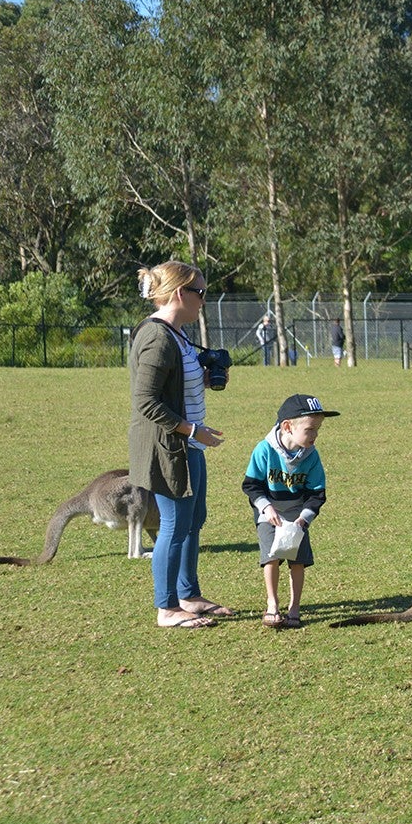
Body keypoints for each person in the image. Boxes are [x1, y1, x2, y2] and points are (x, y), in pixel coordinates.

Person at [129, 260, 232, 628]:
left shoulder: (177, 334)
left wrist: (202, 379)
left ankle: (189, 595)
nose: (203, 300)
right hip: (170, 446)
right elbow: (145, 401)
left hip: (190, 442)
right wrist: (190, 431)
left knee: (193, 521)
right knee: (173, 525)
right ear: (179, 294)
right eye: (200, 293)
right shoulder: (157, 337)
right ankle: (166, 607)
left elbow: (172, 386)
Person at [243, 393, 340, 628]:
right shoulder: (264, 450)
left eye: (318, 429)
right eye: (310, 429)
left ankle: (294, 607)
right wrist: (266, 508)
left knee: (297, 561)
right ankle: (272, 605)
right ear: (288, 426)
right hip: (270, 513)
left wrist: (304, 518)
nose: (315, 435)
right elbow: (251, 485)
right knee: (272, 557)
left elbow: (317, 493)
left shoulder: (311, 456)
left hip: (297, 515)